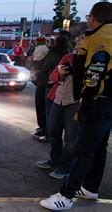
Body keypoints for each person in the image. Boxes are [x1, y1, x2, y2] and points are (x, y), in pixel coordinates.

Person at [40, 2, 112, 210]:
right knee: (98, 148)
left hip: (97, 102)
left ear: (94, 17)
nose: (88, 20)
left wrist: (86, 98)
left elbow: (95, 73)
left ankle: (66, 195)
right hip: (107, 103)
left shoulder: (99, 38)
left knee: (84, 149)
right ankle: (90, 187)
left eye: (89, 16)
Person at [36, 32, 85, 180]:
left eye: (82, 38)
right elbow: (52, 78)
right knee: (53, 132)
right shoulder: (68, 57)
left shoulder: (90, 61)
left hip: (74, 103)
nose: (79, 40)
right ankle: (54, 160)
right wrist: (60, 74)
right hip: (58, 99)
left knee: (70, 138)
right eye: (79, 38)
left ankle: (65, 167)